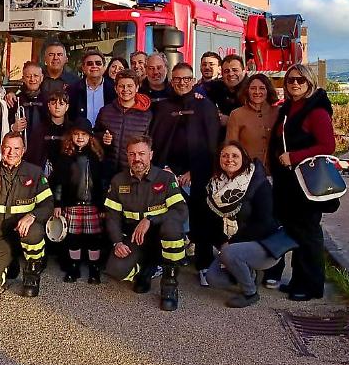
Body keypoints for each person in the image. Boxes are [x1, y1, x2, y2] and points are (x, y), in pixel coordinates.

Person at [268, 63, 336, 301]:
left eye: (300, 80)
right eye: (290, 80)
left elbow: (328, 146)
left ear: (310, 83)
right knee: (297, 233)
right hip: (289, 183)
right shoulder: (290, 108)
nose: (295, 83)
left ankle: (312, 286)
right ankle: (299, 280)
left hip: (306, 184)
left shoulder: (316, 112)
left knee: (309, 234)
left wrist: (294, 157)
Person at [150, 62, 221, 285]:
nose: (182, 83)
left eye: (186, 79)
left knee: (201, 219)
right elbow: (157, 141)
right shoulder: (163, 107)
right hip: (167, 172)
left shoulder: (205, 106)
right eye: (178, 79)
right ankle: (161, 261)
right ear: (172, 81)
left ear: (193, 80)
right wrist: (165, 168)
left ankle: (203, 265)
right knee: (163, 217)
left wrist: (193, 171)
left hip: (196, 173)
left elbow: (211, 144)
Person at [104, 136, 187, 311]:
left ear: (151, 154)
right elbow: (112, 216)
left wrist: (150, 219)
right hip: (136, 238)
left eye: (142, 153)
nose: (137, 158)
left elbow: (180, 211)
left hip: (161, 236)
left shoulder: (165, 178)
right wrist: (117, 241)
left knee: (172, 229)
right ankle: (147, 269)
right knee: (116, 270)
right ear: (127, 156)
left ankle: (169, 284)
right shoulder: (118, 181)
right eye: (132, 154)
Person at [0, 132, 53, 297]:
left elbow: (48, 205)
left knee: (33, 232)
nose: (12, 152)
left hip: (24, 233)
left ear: (23, 150)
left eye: (16, 148)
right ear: (2, 149)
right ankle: (10, 263)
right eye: (8, 148)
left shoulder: (35, 173)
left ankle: (33, 268)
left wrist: (32, 215)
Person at [205, 142, 281, 307]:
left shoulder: (259, 183)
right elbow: (212, 222)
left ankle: (250, 293)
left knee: (231, 253)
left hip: (264, 245)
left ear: (244, 159)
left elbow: (264, 222)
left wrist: (231, 244)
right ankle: (249, 273)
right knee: (213, 278)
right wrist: (221, 243)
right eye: (224, 155)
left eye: (235, 156)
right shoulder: (215, 186)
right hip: (232, 246)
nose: (229, 159)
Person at [50, 119, 105, 284]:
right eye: (76, 134)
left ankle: (94, 268)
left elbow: (102, 183)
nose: (80, 138)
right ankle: (73, 266)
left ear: (90, 137)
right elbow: (58, 183)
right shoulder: (65, 157)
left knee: (93, 239)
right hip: (72, 204)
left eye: (84, 134)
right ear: (71, 136)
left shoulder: (97, 157)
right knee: (73, 238)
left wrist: (102, 205)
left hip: (92, 205)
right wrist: (58, 204)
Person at [95, 70, 152, 177]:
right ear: (116, 89)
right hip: (107, 171)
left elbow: (151, 144)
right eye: (122, 86)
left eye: (130, 86)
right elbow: (95, 135)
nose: (125, 90)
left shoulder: (146, 115)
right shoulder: (105, 111)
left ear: (137, 87)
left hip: (134, 172)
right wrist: (103, 138)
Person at [226, 73, 279, 169]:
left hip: (276, 171)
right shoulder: (237, 114)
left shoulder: (279, 112)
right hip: (248, 171)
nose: (257, 92)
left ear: (268, 90)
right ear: (247, 91)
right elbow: (231, 147)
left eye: (262, 88)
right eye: (253, 88)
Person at [8, 61, 48, 167]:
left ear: (42, 77)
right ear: (23, 78)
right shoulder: (15, 99)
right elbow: (4, 122)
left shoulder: (48, 99)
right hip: (21, 152)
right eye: (28, 76)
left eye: (36, 76)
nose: (32, 79)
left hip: (43, 150)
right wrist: (13, 127)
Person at [68, 48, 116, 126]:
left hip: (106, 136)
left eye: (98, 63)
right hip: (81, 136)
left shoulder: (114, 89)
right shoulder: (73, 90)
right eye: (90, 63)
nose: (94, 66)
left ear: (104, 67)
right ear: (83, 68)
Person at [205, 54, 247, 128]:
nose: (230, 74)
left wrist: (230, 121)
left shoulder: (253, 88)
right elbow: (199, 90)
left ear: (244, 71)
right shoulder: (217, 86)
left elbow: (259, 119)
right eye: (226, 71)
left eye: (235, 70)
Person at [41, 90, 71, 176]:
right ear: (48, 106)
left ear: (67, 107)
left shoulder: (72, 129)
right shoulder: (40, 129)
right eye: (53, 103)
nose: (57, 107)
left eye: (61, 104)